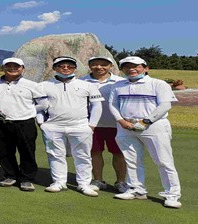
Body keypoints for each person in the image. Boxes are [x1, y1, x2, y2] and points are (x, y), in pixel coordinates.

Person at [110, 56, 182, 209]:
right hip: (126, 126)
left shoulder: (158, 84)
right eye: (127, 66)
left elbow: (165, 105)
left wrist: (146, 121)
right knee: (132, 160)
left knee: (163, 161)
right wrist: (121, 121)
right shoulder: (118, 85)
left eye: (136, 66)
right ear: (122, 70)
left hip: (154, 126)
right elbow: (113, 105)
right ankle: (136, 189)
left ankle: (172, 195)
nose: (131, 69)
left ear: (145, 68)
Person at [38, 56, 103, 197]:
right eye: (61, 66)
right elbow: (39, 107)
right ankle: (59, 182)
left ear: (75, 68)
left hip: (80, 126)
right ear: (54, 68)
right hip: (53, 126)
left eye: (70, 66)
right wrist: (41, 123)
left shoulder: (87, 85)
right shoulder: (43, 85)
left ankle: (84, 184)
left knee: (83, 156)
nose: (66, 68)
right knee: (55, 155)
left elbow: (97, 106)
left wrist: (91, 126)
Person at [0, 57, 48, 192]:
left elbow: (43, 104)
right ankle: (10, 175)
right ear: (2, 68)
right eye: (8, 66)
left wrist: (27, 111)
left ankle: (26, 178)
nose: (12, 68)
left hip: (24, 123)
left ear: (23, 68)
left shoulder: (32, 85)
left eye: (16, 66)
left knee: (27, 151)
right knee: (4, 151)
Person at [80, 56, 127, 193]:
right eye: (95, 64)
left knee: (119, 153)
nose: (99, 67)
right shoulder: (81, 82)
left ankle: (121, 182)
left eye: (103, 64)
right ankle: (98, 180)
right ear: (89, 66)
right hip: (91, 125)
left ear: (111, 66)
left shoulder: (120, 82)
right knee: (95, 152)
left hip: (116, 124)